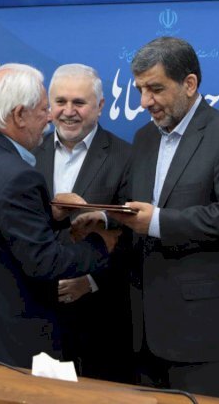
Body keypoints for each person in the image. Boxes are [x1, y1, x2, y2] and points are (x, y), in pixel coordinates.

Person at [0, 63, 119, 368]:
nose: (50, 117)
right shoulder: (17, 175)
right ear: (18, 115)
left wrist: (52, 215)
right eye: (43, 109)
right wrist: (100, 245)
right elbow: (44, 262)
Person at [110, 37, 219, 400]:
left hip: (209, 335)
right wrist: (105, 219)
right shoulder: (144, 138)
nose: (144, 102)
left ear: (190, 84)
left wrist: (159, 223)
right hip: (147, 332)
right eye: (139, 90)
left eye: (155, 89)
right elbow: (138, 208)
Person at [33, 63, 134, 382]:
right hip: (36, 313)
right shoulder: (28, 151)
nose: (68, 111)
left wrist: (90, 282)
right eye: (60, 102)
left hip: (99, 319)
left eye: (79, 102)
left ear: (100, 106)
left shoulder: (126, 157)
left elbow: (133, 234)